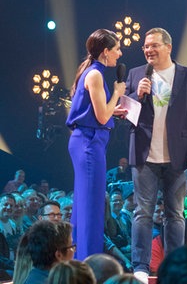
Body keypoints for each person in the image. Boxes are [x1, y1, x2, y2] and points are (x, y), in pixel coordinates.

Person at [125, 27, 187, 283]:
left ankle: (175, 264)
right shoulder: (136, 74)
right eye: (146, 46)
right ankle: (140, 266)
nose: (149, 50)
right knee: (142, 212)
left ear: (168, 47)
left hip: (177, 156)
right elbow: (124, 113)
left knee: (175, 214)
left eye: (154, 45)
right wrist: (136, 95)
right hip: (144, 155)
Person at [66, 29, 126, 260]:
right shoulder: (95, 75)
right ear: (106, 51)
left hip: (90, 141)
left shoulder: (94, 72)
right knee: (91, 206)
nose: (119, 54)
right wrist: (118, 95)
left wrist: (114, 110)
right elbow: (102, 117)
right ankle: (89, 262)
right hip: (89, 143)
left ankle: (80, 258)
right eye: (117, 49)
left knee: (84, 203)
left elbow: (98, 112)